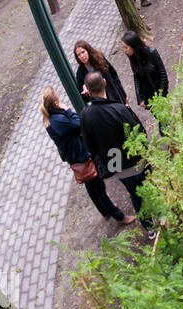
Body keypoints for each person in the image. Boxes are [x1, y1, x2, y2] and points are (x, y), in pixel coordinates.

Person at [41, 87, 136, 225]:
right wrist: (68, 110)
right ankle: (118, 216)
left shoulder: (52, 116)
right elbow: (79, 123)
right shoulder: (58, 120)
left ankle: (105, 211)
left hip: (77, 155)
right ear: (55, 102)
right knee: (96, 186)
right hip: (80, 157)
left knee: (93, 186)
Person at [79, 72, 151, 220]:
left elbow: (90, 147)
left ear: (87, 90)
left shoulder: (85, 115)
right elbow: (138, 133)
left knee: (133, 193)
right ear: (104, 83)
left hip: (114, 162)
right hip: (134, 159)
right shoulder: (119, 109)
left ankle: (148, 225)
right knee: (148, 187)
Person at [121, 30, 169, 111]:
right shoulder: (132, 57)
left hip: (160, 92)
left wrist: (162, 95)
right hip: (149, 98)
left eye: (126, 47)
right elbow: (136, 76)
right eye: (123, 47)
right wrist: (139, 97)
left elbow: (163, 73)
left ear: (133, 46)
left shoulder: (152, 53)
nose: (124, 50)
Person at [74, 39, 128, 104]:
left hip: (115, 94)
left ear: (88, 50)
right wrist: (87, 93)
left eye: (83, 52)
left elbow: (114, 75)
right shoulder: (80, 74)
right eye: (79, 55)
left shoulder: (99, 58)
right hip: (103, 103)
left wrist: (124, 95)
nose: (82, 56)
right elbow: (84, 98)